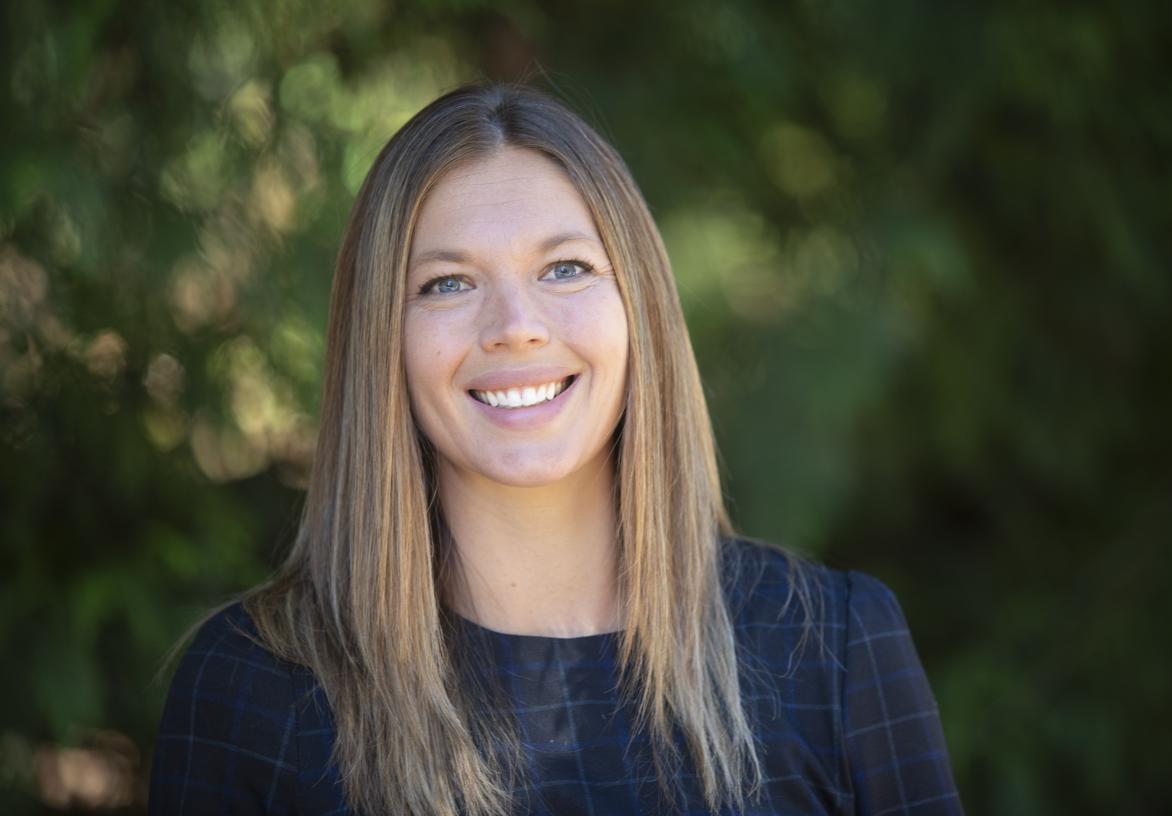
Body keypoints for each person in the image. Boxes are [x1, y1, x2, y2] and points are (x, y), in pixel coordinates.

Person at [149, 83, 963, 816]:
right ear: (380, 343)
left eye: (566, 268)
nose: (515, 325)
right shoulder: (254, 691)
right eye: (447, 283)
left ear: (637, 307)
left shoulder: (834, 650)